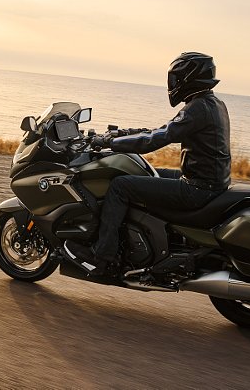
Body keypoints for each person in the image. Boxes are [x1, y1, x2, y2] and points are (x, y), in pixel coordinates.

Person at [63, 52, 231, 276]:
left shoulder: (197, 108)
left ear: (189, 78)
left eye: (175, 78)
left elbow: (153, 141)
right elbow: (163, 130)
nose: (172, 84)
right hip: (207, 183)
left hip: (197, 188)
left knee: (120, 186)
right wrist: (124, 133)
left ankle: (102, 257)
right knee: (146, 172)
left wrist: (111, 142)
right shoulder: (212, 103)